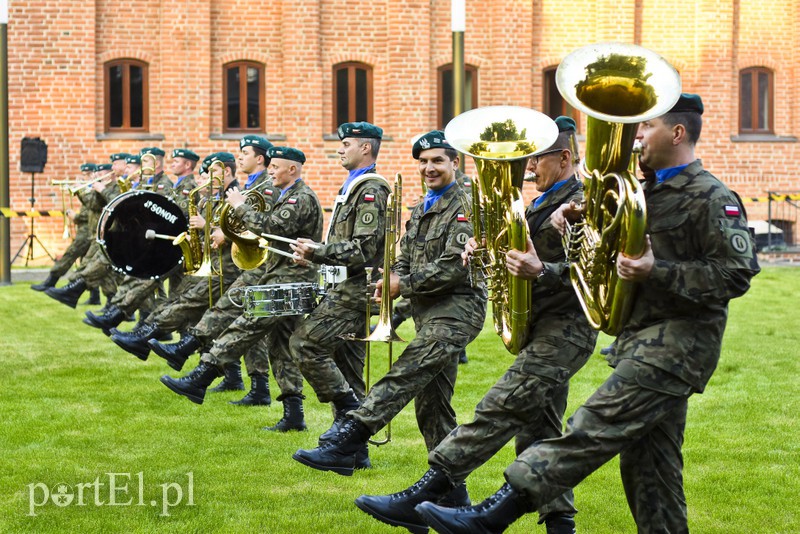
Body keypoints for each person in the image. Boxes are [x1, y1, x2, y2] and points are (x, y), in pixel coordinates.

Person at [412, 94, 761, 534]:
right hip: (638, 341)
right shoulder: (643, 191)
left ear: (677, 132)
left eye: (646, 127)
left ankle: (492, 515)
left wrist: (659, 271)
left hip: (677, 348)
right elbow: (603, 263)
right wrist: (576, 226)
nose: (635, 137)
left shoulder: (711, 195)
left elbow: (736, 273)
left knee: (590, 427)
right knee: (652, 472)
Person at [353, 117, 596, 534]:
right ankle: (560, 524)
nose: (529, 168)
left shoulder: (583, 200)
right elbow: (516, 251)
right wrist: (483, 248)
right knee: (538, 428)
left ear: (564, 157)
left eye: (535, 158)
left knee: (499, 407)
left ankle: (427, 492)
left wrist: (544, 269)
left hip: (567, 327)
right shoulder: (538, 202)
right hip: (537, 325)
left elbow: (598, 271)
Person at [292, 130, 486, 479]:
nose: (429, 168)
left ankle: (347, 440)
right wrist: (393, 276)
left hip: (457, 309)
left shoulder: (465, 206)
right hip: (428, 311)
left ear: (455, 163)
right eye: (423, 162)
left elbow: (453, 267)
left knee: (405, 372)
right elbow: (404, 255)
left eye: (438, 161)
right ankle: (450, 494)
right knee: (432, 407)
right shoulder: (424, 204)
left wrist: (403, 284)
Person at [159, 146, 323, 430]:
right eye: (269, 166)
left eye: (276, 167)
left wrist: (239, 205)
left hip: (291, 279)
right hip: (281, 276)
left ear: (292, 170)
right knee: (281, 346)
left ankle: (201, 376)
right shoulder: (287, 195)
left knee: (246, 325)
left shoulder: (302, 198)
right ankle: (294, 414)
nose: (270, 171)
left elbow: (270, 226)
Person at [288, 121, 390, 467]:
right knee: (348, 369)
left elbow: (364, 248)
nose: (340, 148)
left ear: (366, 148)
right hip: (342, 286)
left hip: (353, 292)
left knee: (305, 343)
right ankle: (350, 451)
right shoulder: (354, 186)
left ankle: (350, 412)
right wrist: (314, 256)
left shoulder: (371, 188)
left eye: (346, 143)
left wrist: (318, 251)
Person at [148, 136, 277, 393]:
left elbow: (264, 227)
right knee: (243, 325)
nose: (240, 156)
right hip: (244, 266)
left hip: (254, 266)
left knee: (244, 324)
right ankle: (252, 387)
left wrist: (223, 232)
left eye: (246, 153)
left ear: (259, 158)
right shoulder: (249, 187)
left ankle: (173, 345)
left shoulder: (264, 188)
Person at [31, 162, 106, 292]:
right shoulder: (93, 189)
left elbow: (91, 209)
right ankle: (93, 296)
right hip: (89, 229)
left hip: (90, 229)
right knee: (87, 260)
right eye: (84, 175)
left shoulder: (98, 188)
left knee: (74, 255)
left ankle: (55, 282)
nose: (86, 178)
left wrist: (75, 216)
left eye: (89, 174)